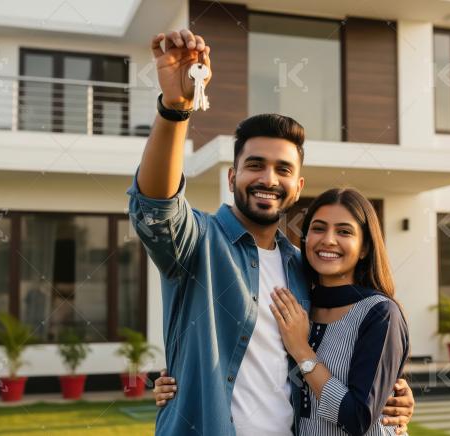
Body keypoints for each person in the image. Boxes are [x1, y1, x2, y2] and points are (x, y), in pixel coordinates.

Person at [129, 28, 414, 436]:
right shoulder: (196, 244)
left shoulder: (302, 268)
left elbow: (342, 359)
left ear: (298, 187)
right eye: (255, 165)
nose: (268, 178)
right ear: (232, 177)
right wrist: (175, 110)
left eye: (283, 169)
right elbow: (156, 205)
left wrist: (397, 392)